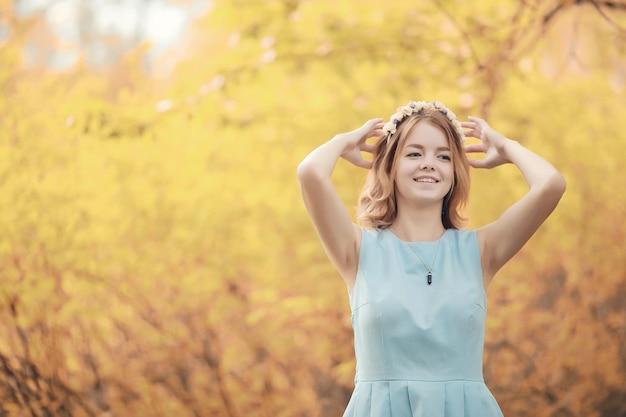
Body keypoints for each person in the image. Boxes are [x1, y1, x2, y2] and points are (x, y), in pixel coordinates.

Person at [296, 100, 566, 417]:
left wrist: (507, 147)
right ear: (389, 167)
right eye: (414, 153)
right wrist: (344, 141)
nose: (429, 164)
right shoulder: (357, 249)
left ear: (455, 171)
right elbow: (310, 173)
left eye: (444, 156)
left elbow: (551, 184)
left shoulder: (482, 251)